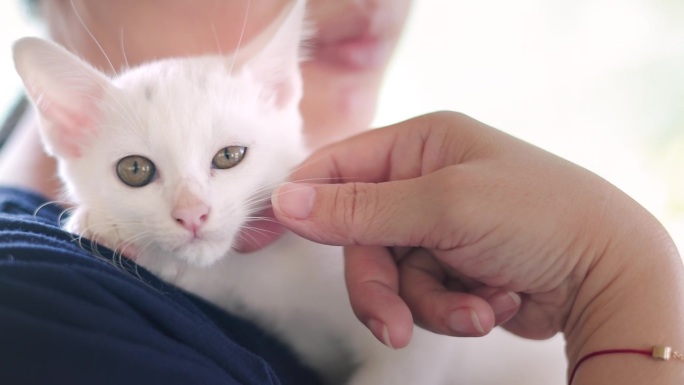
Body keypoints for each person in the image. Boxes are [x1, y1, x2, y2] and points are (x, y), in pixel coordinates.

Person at [0, 1, 681, 384]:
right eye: (138, 172)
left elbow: (414, 349)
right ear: (72, 129)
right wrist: (623, 279)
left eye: (230, 156)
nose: (194, 210)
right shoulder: (42, 301)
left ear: (276, 94)